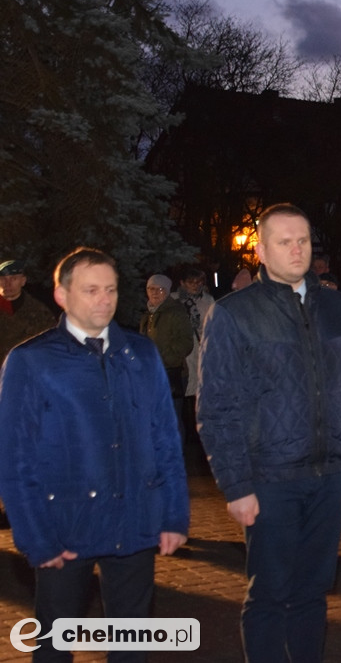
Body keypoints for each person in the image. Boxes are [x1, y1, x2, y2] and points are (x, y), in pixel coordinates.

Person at [197, 203, 341, 663]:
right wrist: (235, 484)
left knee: (313, 593)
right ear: (260, 249)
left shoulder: (338, 308)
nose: (297, 249)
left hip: (331, 475)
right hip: (270, 479)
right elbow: (217, 406)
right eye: (284, 241)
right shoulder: (234, 314)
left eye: (303, 240)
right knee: (269, 596)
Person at [0, 247, 189, 663]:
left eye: (111, 289)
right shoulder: (31, 362)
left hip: (135, 522)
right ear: (62, 296)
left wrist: (174, 514)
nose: (104, 299)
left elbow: (165, 439)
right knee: (55, 641)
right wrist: (36, 539)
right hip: (65, 529)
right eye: (91, 290)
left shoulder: (141, 354)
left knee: (131, 642)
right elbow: (15, 460)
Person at [141, 273, 194, 439]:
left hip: (172, 372)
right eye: (151, 289)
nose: (155, 293)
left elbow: (186, 343)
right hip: (152, 373)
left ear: (168, 291)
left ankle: (178, 457)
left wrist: (165, 359)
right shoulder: (148, 315)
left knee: (172, 417)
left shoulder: (176, 312)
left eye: (160, 289)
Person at [173, 267, 214, 448]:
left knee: (201, 395)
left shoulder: (208, 301)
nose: (196, 286)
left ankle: (200, 437)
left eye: (199, 282)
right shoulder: (174, 301)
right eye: (192, 282)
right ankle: (186, 436)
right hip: (182, 355)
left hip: (203, 352)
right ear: (182, 283)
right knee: (182, 396)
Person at [0, 259, 56, 362]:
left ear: (23, 281)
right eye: (3, 279)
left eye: (13, 279)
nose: (7, 284)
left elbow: (50, 346)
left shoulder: (39, 312)